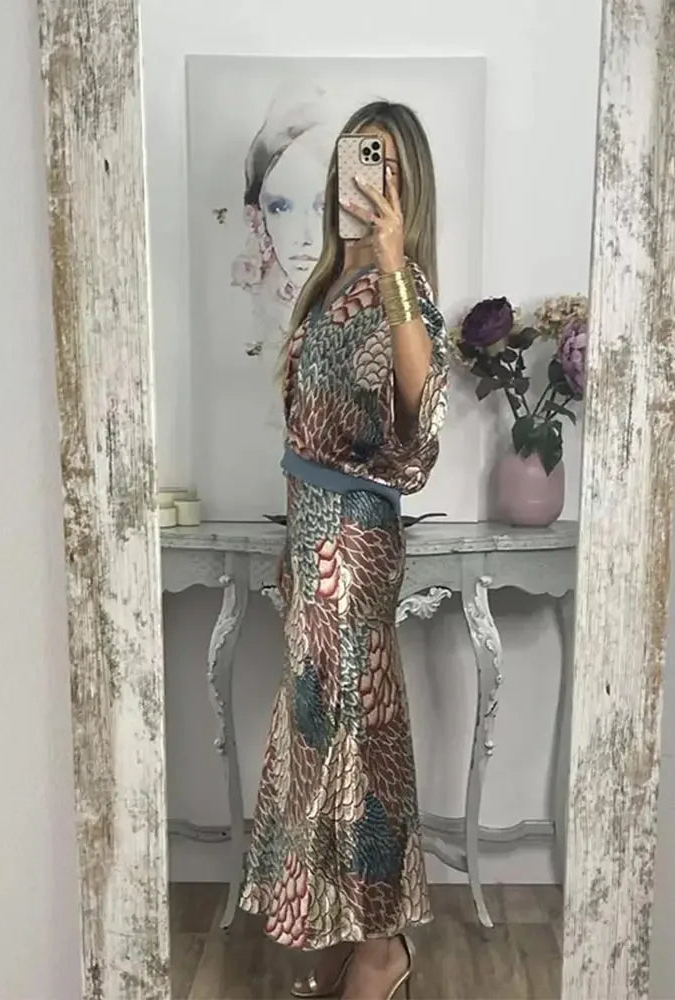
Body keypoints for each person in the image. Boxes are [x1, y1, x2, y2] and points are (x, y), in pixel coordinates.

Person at [239, 100, 449, 1000]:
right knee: (320, 740)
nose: (363, 180)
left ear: (409, 184)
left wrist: (394, 263)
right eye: (356, 160)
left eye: (383, 163)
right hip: (309, 536)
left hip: (354, 547)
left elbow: (422, 408)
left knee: (359, 743)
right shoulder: (325, 287)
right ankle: (351, 927)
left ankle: (383, 948)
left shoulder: (406, 290)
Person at [231, 87, 335, 359]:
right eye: (281, 207)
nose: (304, 236)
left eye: (323, 207)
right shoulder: (251, 318)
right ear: (259, 217)